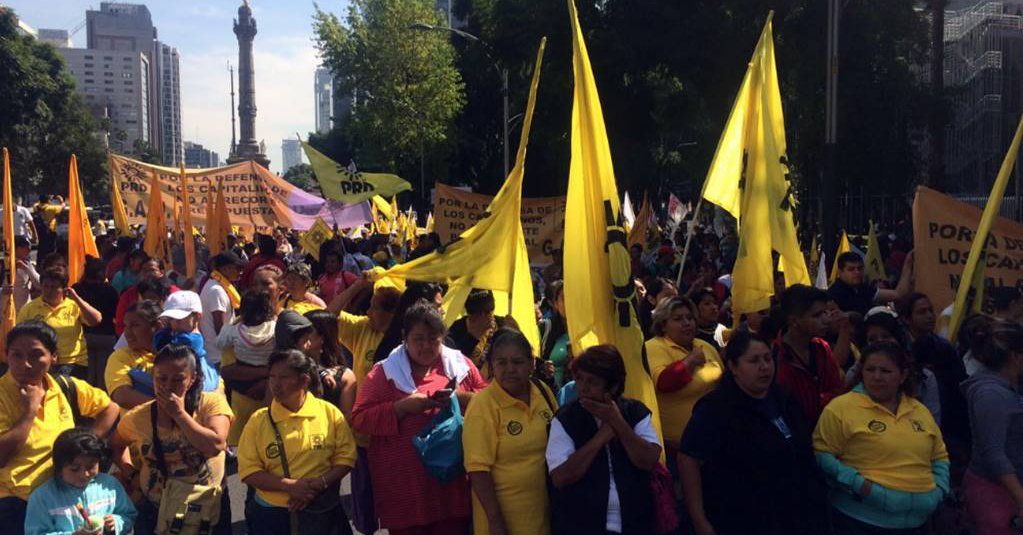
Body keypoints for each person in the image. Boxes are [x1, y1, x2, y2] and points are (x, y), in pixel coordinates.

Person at [351, 302, 487, 534]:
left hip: (453, 490)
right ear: (404, 337)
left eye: (433, 338)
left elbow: (488, 402)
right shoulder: (384, 373)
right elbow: (359, 419)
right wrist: (401, 407)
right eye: (418, 339)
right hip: (406, 493)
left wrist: (460, 398)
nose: (426, 346)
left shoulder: (460, 366)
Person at [679, 331, 828, 535]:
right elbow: (688, 458)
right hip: (741, 518)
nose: (764, 367)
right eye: (754, 361)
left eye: (768, 359)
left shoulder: (783, 399)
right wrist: (699, 519)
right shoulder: (716, 408)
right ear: (733, 367)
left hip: (792, 515)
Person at [814, 341, 950, 534]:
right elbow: (822, 455)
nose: (877, 377)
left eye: (885, 371)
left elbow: (939, 456)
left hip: (918, 522)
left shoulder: (919, 410)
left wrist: (939, 490)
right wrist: (861, 486)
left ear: (902, 376)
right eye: (870, 370)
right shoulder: (841, 408)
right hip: (860, 520)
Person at [0, 321, 119, 532]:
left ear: (54, 356)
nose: (25, 364)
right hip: (16, 503)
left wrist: (85, 445)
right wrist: (29, 412)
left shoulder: (64, 386)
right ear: (6, 355)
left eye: (36, 355)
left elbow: (110, 409)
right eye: (16, 355)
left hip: (63, 495)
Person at [111, 344, 233, 535]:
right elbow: (116, 446)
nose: (168, 386)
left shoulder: (211, 404)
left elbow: (215, 446)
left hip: (205, 506)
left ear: (192, 379)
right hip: (156, 509)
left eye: (178, 379)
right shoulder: (138, 417)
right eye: (161, 378)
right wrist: (130, 473)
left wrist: (179, 414)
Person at [238, 349, 357, 535]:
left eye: (284, 377)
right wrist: (289, 487)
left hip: (321, 510)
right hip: (272, 516)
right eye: (272, 377)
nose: (276, 385)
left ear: (304, 381)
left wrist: (319, 484)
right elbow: (248, 471)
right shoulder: (258, 421)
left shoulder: (329, 413)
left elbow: (346, 458)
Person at [546, 344, 662, 535]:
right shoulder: (565, 419)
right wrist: (601, 437)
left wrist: (618, 423)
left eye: (592, 382)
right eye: (580, 379)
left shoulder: (635, 412)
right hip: (582, 525)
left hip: (635, 522)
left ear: (613, 386)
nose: (583, 388)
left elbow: (648, 460)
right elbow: (561, 477)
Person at [463, 328, 557, 535]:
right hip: (502, 521)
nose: (509, 369)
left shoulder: (542, 391)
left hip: (544, 515)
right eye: (501, 362)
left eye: (517, 362)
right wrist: (495, 522)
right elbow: (477, 470)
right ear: (492, 366)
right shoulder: (483, 405)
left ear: (532, 364)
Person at [960, 320, 1023, 535]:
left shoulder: (1009, 389)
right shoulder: (991, 394)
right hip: (994, 492)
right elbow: (994, 453)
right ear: (1015, 357)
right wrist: (1020, 498)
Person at [645, 297, 722, 458]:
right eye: (678, 319)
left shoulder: (705, 345)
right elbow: (664, 382)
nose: (686, 323)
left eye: (690, 318)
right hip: (679, 452)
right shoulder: (653, 347)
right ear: (663, 325)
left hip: (717, 443)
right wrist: (691, 361)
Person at [23, 428, 136, 535]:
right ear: (59, 468)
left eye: (91, 466)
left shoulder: (110, 486)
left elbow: (129, 516)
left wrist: (116, 522)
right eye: (74, 469)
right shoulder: (43, 498)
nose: (84, 474)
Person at [773, 284, 845, 425]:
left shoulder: (822, 347)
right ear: (794, 321)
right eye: (817, 315)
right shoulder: (775, 357)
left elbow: (837, 389)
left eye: (825, 312)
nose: (826, 320)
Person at [16, 269, 103, 379]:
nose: (48, 290)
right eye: (45, 286)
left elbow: (96, 320)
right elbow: (18, 336)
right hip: (41, 362)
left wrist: (76, 298)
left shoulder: (74, 306)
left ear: (64, 289)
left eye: (53, 287)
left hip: (73, 362)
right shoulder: (30, 308)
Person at [154, 291, 221, 393]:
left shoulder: (191, 341)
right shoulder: (174, 333)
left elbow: (160, 346)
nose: (174, 324)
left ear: (197, 317)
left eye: (179, 320)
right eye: (171, 319)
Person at [216, 290, 276, 399]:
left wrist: (235, 322)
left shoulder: (234, 331)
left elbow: (219, 343)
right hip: (265, 377)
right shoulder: (274, 328)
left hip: (241, 378)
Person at [105, 300, 163, 409]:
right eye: (126, 326)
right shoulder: (121, 357)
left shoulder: (174, 355)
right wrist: (166, 410)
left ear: (158, 326)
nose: (127, 332)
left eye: (135, 325)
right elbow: (122, 396)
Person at [73, 257, 120, 389]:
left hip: (83, 336)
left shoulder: (76, 289)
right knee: (103, 377)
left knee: (87, 377)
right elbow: (116, 313)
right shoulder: (110, 290)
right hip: (106, 336)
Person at [304, 309, 358, 418]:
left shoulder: (345, 376)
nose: (301, 335)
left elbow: (345, 418)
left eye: (307, 331)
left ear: (322, 338)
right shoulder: (292, 365)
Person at [828, 250, 914, 316]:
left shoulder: (863, 288)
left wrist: (908, 263)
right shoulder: (834, 294)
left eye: (860, 268)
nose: (857, 272)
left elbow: (898, 294)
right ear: (840, 272)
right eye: (851, 269)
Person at [199, 252, 245, 367]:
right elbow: (220, 329)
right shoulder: (216, 290)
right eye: (238, 268)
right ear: (225, 269)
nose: (241, 272)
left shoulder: (218, 285)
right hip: (218, 356)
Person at [114, 257, 176, 335]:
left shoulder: (174, 293)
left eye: (152, 270)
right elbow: (120, 326)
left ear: (162, 272)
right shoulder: (128, 295)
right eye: (144, 271)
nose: (148, 274)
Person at [448, 289, 498, 366]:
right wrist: (473, 336)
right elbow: (451, 363)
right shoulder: (455, 329)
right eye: (476, 312)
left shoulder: (502, 325)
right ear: (468, 312)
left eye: (488, 311)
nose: (482, 316)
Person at [539, 281, 571, 388]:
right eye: (564, 298)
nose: (570, 303)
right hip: (552, 393)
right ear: (556, 304)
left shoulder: (591, 331)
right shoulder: (546, 327)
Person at [11, 236, 38, 311]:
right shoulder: (3, 264)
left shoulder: (28, 264)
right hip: (7, 309)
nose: (29, 250)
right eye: (26, 247)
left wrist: (27, 269)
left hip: (24, 308)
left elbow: (39, 284)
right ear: (17, 248)